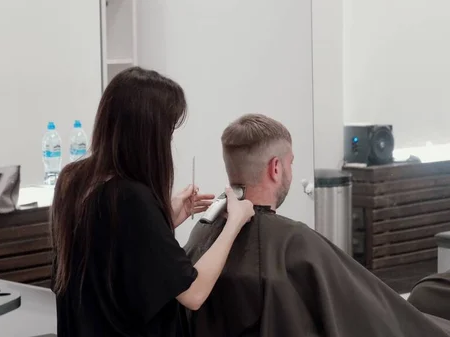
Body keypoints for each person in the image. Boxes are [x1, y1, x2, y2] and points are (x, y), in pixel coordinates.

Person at [184, 113, 450, 337]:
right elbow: (373, 312)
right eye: (290, 164)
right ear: (275, 168)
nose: (290, 170)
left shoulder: (202, 233)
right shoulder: (294, 242)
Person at [50, 67, 255, 337]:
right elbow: (193, 293)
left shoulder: (72, 181)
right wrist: (235, 223)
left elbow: (111, 249)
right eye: (168, 132)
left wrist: (164, 218)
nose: (168, 143)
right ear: (147, 136)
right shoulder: (132, 198)